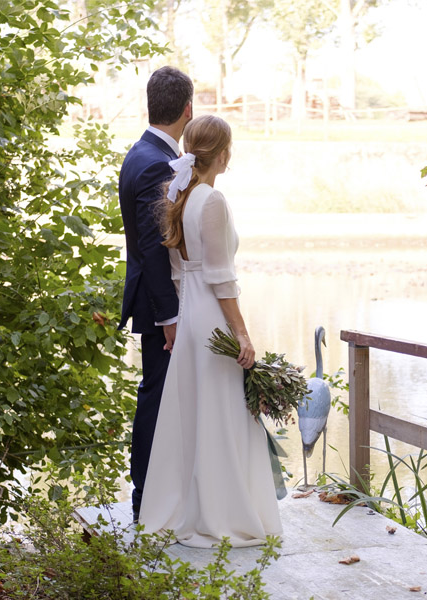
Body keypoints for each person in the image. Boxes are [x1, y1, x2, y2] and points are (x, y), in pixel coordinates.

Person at [138, 114, 283, 547]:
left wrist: (181, 319)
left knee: (196, 413)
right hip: (213, 318)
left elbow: (179, 271)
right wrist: (242, 334)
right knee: (221, 414)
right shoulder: (213, 202)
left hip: (190, 315)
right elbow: (222, 277)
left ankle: (191, 507)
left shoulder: (183, 195)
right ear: (223, 153)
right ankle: (223, 514)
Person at [118, 66, 194, 522]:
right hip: (159, 304)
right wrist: (170, 315)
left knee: (162, 395)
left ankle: (160, 493)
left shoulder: (141, 153)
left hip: (157, 299)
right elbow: (151, 244)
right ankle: (146, 498)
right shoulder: (153, 163)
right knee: (157, 396)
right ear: (188, 109)